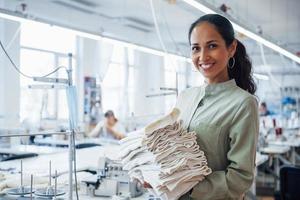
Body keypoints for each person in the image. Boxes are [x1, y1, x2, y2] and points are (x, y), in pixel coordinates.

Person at [144, 14, 259, 200]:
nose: (203, 56)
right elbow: (172, 149)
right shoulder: (185, 97)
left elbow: (240, 178)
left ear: (231, 48)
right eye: (196, 48)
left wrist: (186, 187)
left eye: (212, 46)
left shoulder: (243, 104)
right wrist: (154, 173)